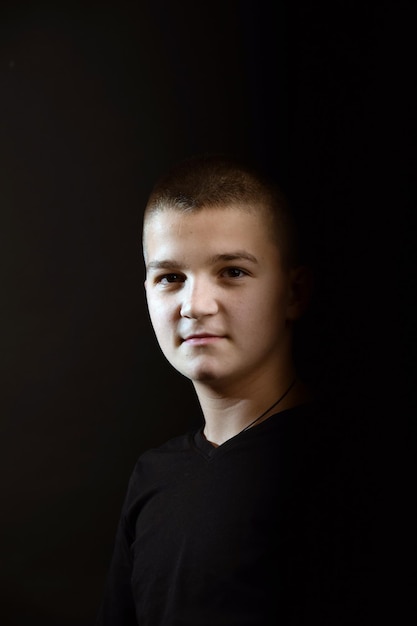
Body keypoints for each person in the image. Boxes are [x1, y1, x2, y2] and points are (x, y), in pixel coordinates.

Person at [96, 153, 366, 625]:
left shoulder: (348, 466)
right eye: (171, 278)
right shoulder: (153, 477)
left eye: (232, 272)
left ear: (294, 293)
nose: (195, 305)